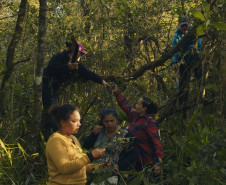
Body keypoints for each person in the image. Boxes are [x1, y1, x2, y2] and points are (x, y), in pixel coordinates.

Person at [46, 104, 106, 185]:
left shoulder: (73, 139)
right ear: (62, 122)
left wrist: (98, 167)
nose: (79, 124)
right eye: (74, 121)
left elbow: (80, 168)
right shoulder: (56, 141)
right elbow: (65, 168)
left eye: (79, 120)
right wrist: (90, 156)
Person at [42, 42, 110, 109]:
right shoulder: (58, 57)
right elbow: (52, 70)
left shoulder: (76, 64)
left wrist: (101, 81)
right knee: (53, 109)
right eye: (81, 54)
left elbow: (88, 73)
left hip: (55, 89)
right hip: (45, 85)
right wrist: (67, 67)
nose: (81, 56)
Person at [113, 85, 163, 175]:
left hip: (145, 162)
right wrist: (117, 93)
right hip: (133, 159)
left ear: (144, 109)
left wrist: (157, 163)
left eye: (138, 104)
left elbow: (156, 142)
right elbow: (126, 106)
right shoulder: (136, 116)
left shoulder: (149, 122)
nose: (135, 105)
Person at [170, 16, 202, 107]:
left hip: (194, 58)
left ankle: (201, 97)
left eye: (185, 25)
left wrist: (198, 51)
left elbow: (198, 43)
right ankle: (181, 103)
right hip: (183, 61)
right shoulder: (177, 35)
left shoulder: (193, 31)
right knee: (182, 83)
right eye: (182, 26)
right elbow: (174, 50)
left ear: (188, 24)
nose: (184, 27)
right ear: (179, 26)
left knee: (199, 76)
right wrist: (173, 62)